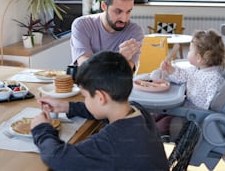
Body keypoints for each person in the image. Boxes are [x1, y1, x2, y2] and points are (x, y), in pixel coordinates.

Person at [30, 51, 169, 171]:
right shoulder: (138, 110)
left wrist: (41, 128)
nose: (85, 101)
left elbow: (57, 158)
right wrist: (66, 106)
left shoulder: (110, 142)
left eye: (85, 97)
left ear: (100, 97)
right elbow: (105, 110)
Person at [154, 29, 225, 140]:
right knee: (156, 113)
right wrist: (170, 69)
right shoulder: (197, 69)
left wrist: (199, 115)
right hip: (185, 109)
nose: (188, 53)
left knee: (162, 125)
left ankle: (158, 139)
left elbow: (214, 106)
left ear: (199, 58)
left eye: (190, 50)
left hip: (194, 117)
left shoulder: (214, 78)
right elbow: (182, 76)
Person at [70, 0, 144, 71]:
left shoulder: (135, 31)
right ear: (104, 6)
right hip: (86, 84)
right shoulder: (82, 25)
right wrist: (119, 58)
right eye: (118, 11)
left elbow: (128, 72)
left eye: (128, 12)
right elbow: (85, 67)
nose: (124, 19)